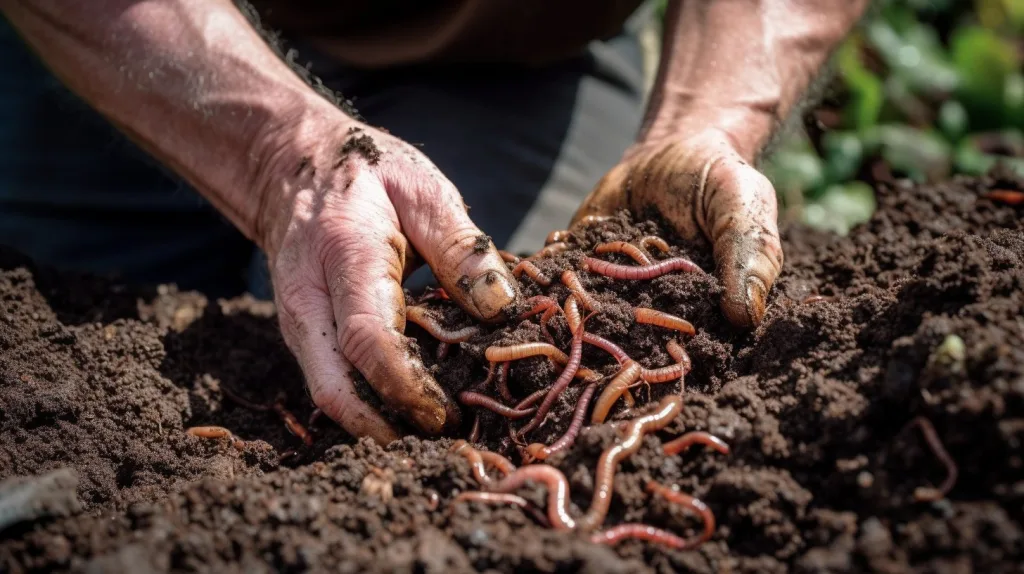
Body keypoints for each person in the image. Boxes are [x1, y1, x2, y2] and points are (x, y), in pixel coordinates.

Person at [0, 0, 868, 444]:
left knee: (433, 350)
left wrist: (706, 119)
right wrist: (278, 155)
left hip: (510, 59)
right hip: (153, 32)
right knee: (62, 354)